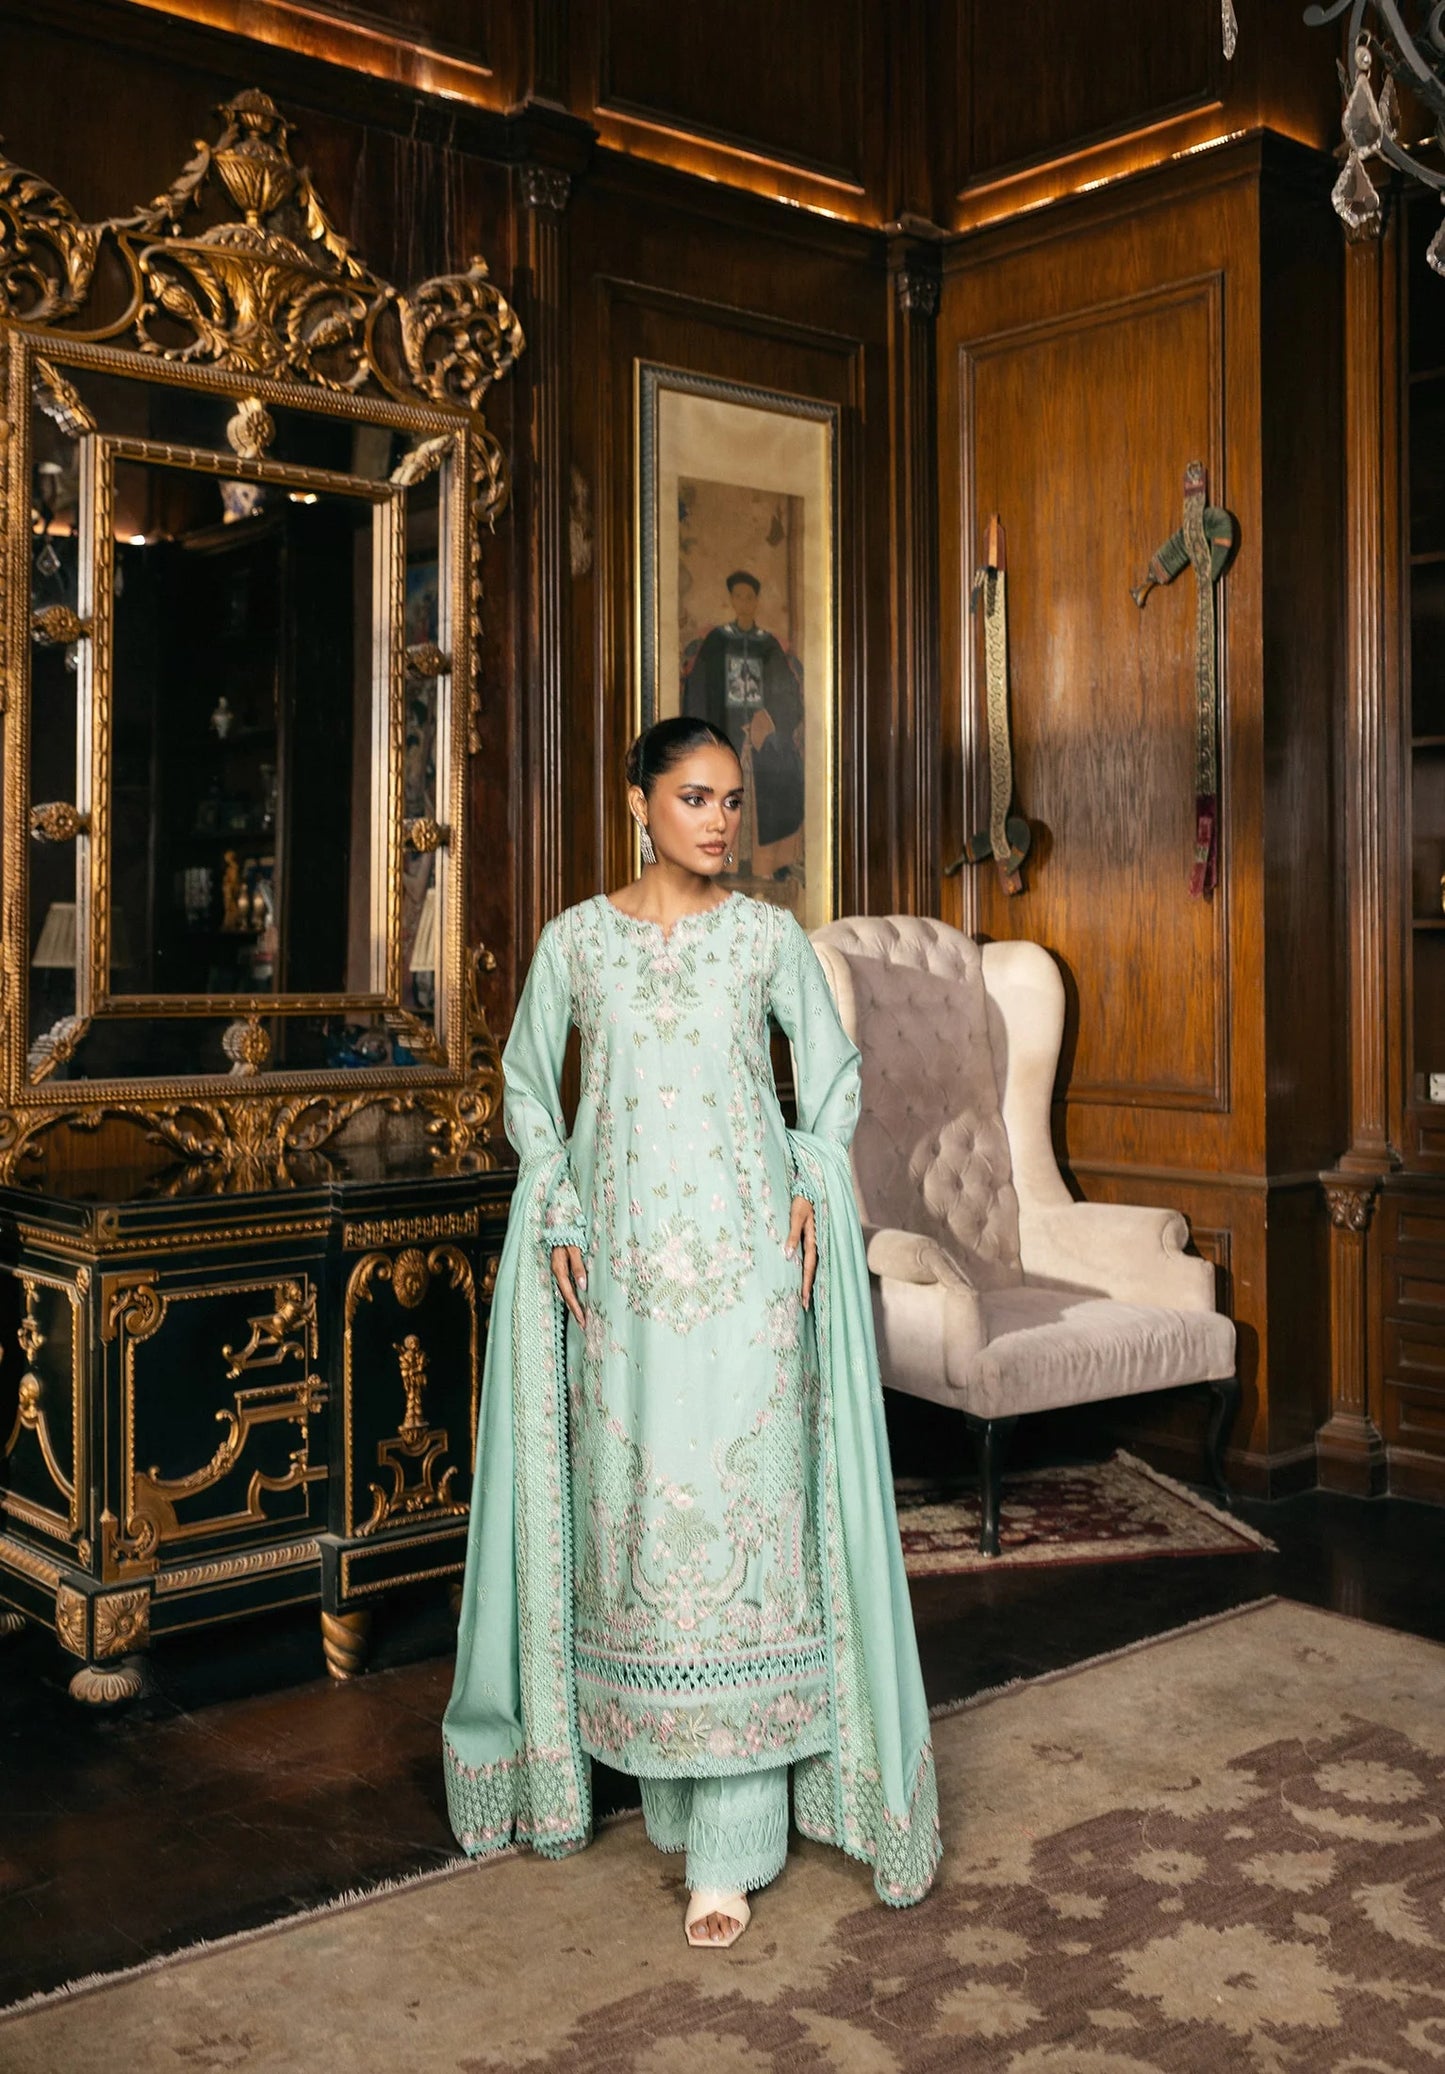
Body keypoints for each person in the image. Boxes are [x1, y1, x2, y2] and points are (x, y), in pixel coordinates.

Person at [443, 716, 939, 1949]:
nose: (722, 820)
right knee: (638, 1528)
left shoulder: (766, 940)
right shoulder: (577, 944)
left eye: (735, 799)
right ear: (637, 804)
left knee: (743, 1532)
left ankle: (732, 1841)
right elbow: (523, 1086)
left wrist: (811, 1175)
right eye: (696, 797)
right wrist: (551, 1197)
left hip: (748, 1283)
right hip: (618, 1287)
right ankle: (664, 1795)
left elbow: (828, 1081)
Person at [682, 571, 804, 882]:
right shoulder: (717, 641)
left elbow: (788, 691)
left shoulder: (769, 645)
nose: (744, 602)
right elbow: (699, 687)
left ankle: (768, 865)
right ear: (732, 600)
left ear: (756, 601)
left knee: (783, 775)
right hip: (725, 730)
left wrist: (768, 720)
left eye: (750, 597)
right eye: (739, 597)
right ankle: (725, 864)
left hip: (762, 734)